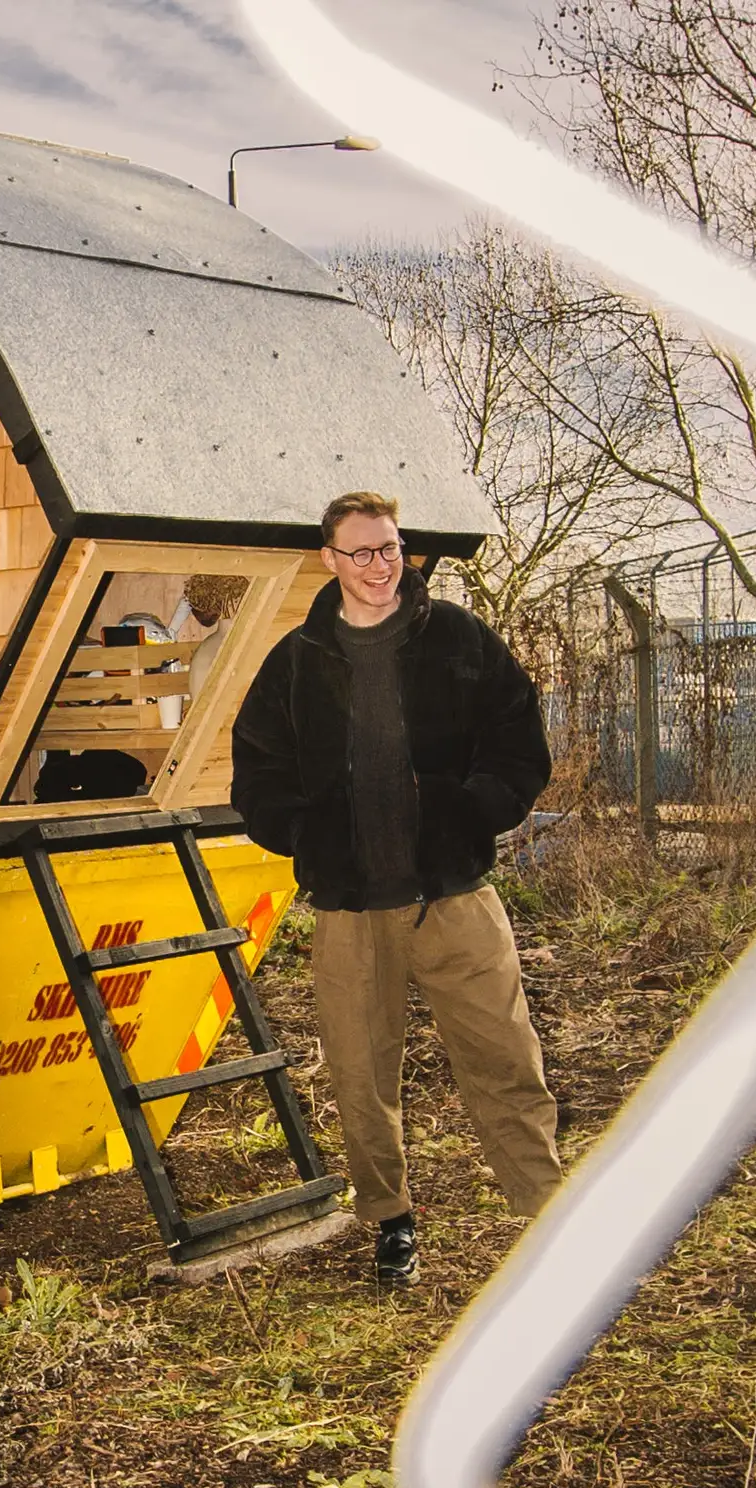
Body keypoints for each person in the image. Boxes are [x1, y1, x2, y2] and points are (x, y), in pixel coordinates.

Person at [229, 492, 562, 1286]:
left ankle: (547, 1210)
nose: (380, 568)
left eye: (390, 550)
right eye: (362, 554)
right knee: (359, 1073)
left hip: (453, 896)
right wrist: (311, 836)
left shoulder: (456, 639)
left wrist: (472, 808)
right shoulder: (296, 661)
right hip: (350, 910)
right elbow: (258, 773)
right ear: (329, 561)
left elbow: (519, 735)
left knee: (505, 1055)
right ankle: (391, 1221)